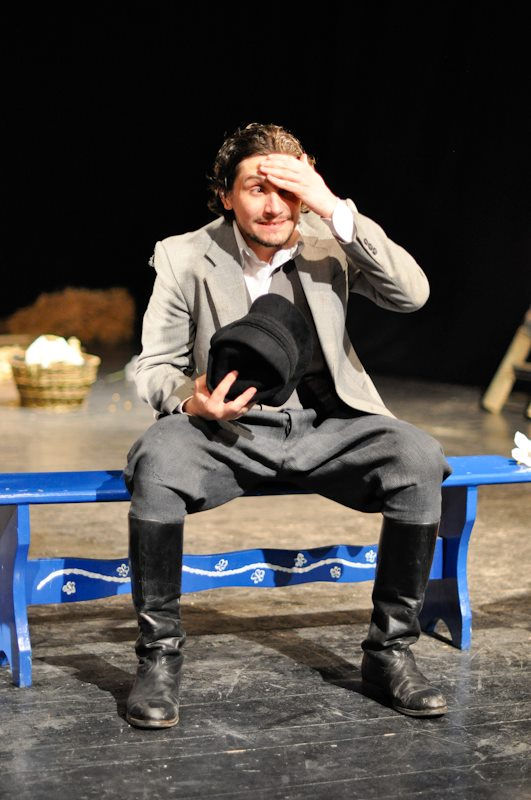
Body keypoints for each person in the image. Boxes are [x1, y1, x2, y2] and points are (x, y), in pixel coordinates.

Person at [123, 122, 451, 729]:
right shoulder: (184, 254)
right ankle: (158, 659)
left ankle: (389, 652)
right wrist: (192, 401)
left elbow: (413, 295)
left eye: (288, 188)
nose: (275, 206)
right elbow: (153, 366)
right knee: (157, 462)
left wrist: (331, 206)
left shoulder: (331, 239)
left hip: (328, 425)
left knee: (418, 458)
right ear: (226, 195)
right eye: (257, 188)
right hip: (228, 432)